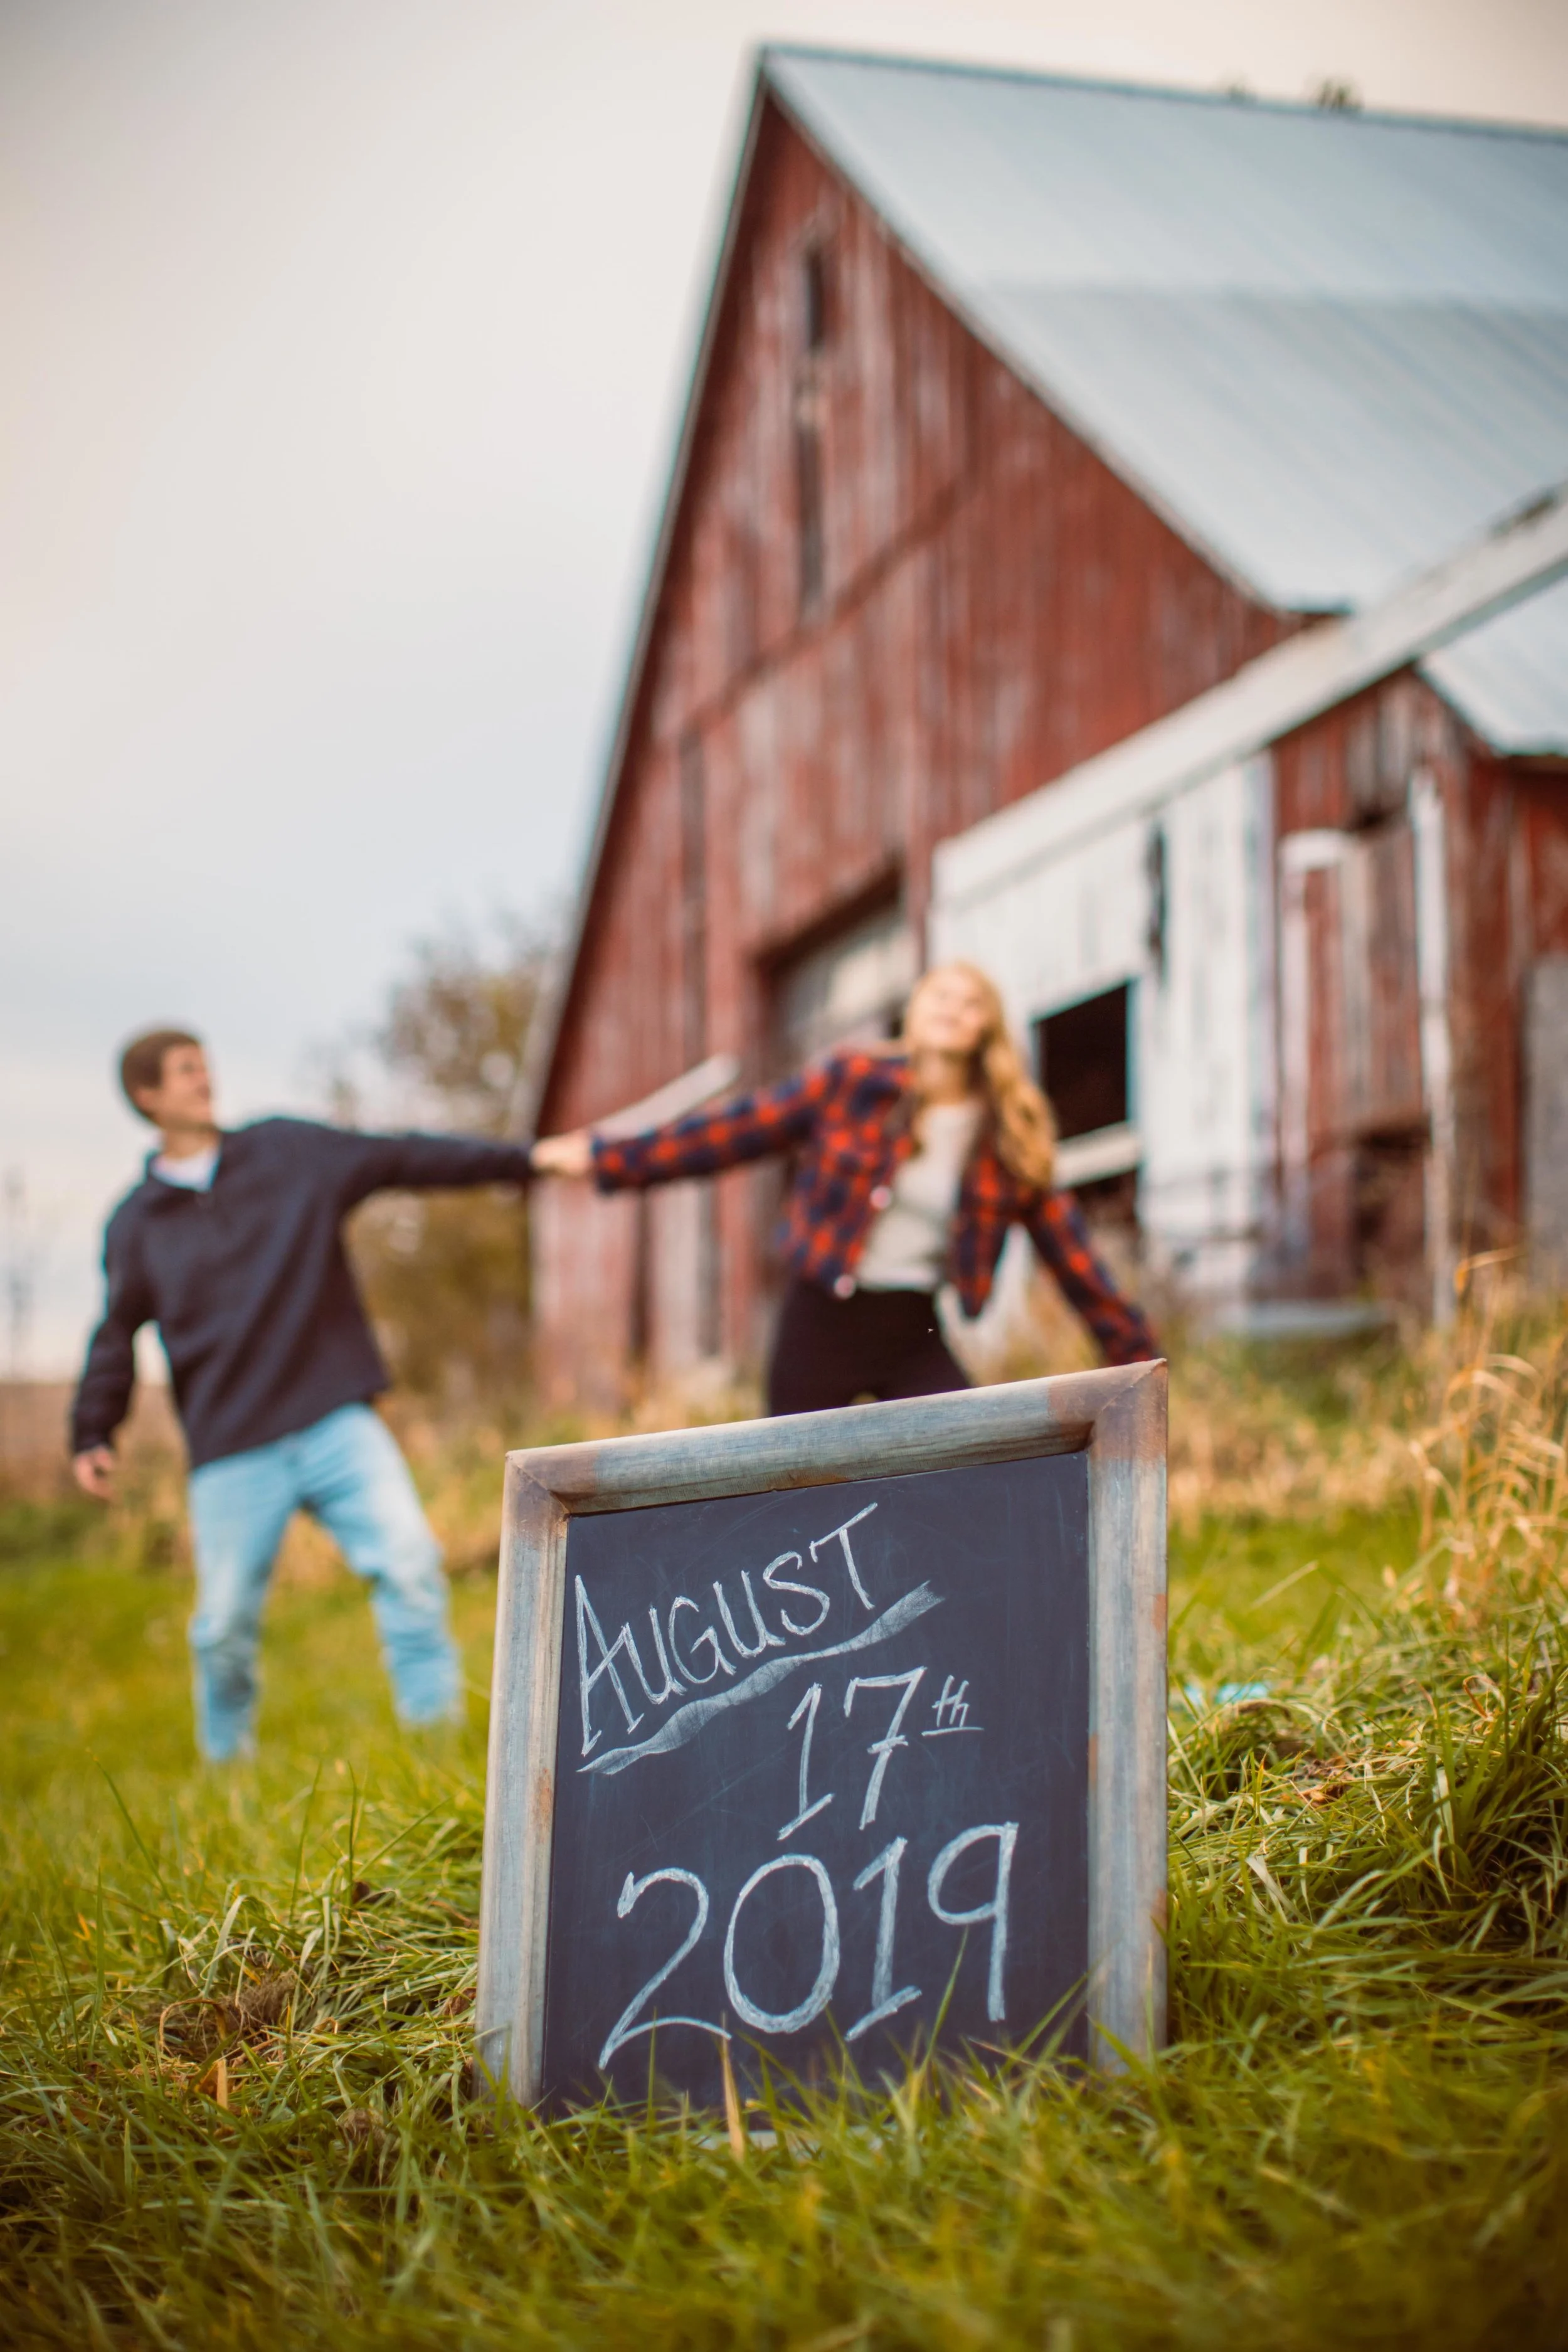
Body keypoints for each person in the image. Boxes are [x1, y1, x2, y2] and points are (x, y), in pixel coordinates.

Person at [71, 1029, 535, 1761]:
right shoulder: (136, 1225)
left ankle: (437, 1741)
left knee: (410, 1562)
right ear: (148, 1096)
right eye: (186, 1071)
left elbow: (401, 1155)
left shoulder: (285, 1153)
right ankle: (228, 1769)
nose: (204, 1080)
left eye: (205, 1065)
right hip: (232, 1444)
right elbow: (114, 1333)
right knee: (223, 1628)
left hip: (333, 1420)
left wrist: (527, 1160)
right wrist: (93, 1430)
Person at [530, 960, 1156, 1413]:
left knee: (969, 1470)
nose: (951, 1008)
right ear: (913, 1008)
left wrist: (1140, 1369)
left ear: (985, 1030)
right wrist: (605, 1158)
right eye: (940, 993)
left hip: (913, 1330)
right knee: (795, 1489)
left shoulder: (1007, 1138)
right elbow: (729, 1132)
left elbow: (1076, 1264)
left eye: (971, 1004)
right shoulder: (851, 1081)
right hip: (818, 1318)